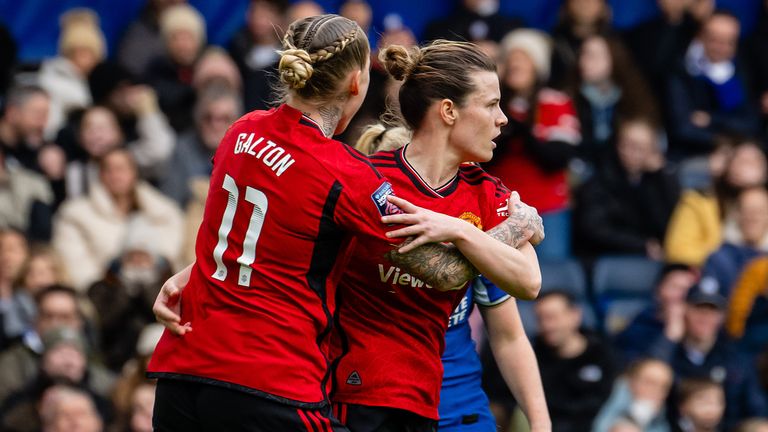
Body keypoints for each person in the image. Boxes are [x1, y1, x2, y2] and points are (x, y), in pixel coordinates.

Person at [148, 15, 544, 431]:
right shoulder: (350, 174)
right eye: (492, 104)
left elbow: (264, 230)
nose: (503, 118)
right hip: (288, 380)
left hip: (186, 366)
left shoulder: (240, 130)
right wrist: (516, 224)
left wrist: (196, 272)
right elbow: (444, 272)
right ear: (356, 82)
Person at [353, 125, 550, 431]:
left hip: (462, 410)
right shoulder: (371, 229)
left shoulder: (476, 224)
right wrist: (511, 230)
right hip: (381, 405)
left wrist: (540, 424)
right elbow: (449, 273)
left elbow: (510, 336)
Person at [647, 280, 768, 427]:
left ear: (722, 316)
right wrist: (671, 336)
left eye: (713, 311)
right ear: (684, 310)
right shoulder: (668, 351)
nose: (705, 317)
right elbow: (647, 379)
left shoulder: (734, 357)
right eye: (699, 309)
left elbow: (756, 408)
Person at [666, 11, 760, 157]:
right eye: (715, 39)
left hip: (737, 151)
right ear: (700, 36)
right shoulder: (681, 69)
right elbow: (683, 128)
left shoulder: (743, 68)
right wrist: (722, 140)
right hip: (692, 155)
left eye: (729, 42)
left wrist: (711, 119)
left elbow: (751, 122)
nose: (721, 47)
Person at [530, 290, 617, 432]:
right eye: (540, 319)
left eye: (552, 318)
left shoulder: (603, 353)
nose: (547, 326)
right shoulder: (532, 357)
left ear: (575, 315)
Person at [614, 264, 698, 364]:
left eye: (688, 290)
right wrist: (670, 335)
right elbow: (641, 370)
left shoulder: (704, 326)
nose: (681, 295)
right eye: (675, 287)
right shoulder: (641, 324)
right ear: (658, 290)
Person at [593, 358, 674, 432]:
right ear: (631, 380)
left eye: (664, 387)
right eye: (650, 382)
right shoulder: (599, 398)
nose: (656, 390)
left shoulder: (662, 418)